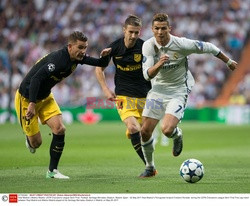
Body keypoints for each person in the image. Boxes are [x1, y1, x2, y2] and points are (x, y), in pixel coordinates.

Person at [139, 13, 238, 177]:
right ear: (152, 29)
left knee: (166, 129)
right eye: (156, 28)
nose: (160, 32)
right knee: (145, 131)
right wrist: (159, 63)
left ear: (169, 28)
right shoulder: (148, 46)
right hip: (157, 92)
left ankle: (177, 134)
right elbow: (147, 75)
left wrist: (228, 61)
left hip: (178, 90)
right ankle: (150, 167)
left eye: (163, 28)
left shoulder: (181, 44)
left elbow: (209, 47)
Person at [15, 31, 111, 179]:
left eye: (85, 47)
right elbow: (35, 80)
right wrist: (32, 104)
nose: (83, 51)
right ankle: (29, 140)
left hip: (46, 97)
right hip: (27, 99)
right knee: (36, 143)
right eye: (80, 47)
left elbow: (100, 63)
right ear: (70, 46)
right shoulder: (57, 61)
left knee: (60, 129)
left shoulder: (78, 58)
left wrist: (105, 56)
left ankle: (52, 172)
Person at [95, 15, 151, 165]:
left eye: (136, 33)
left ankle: (135, 134)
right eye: (130, 32)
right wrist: (106, 90)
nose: (133, 36)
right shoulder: (113, 48)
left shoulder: (146, 47)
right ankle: (148, 165)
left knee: (144, 134)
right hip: (123, 96)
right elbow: (99, 69)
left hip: (145, 98)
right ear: (124, 30)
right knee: (134, 128)